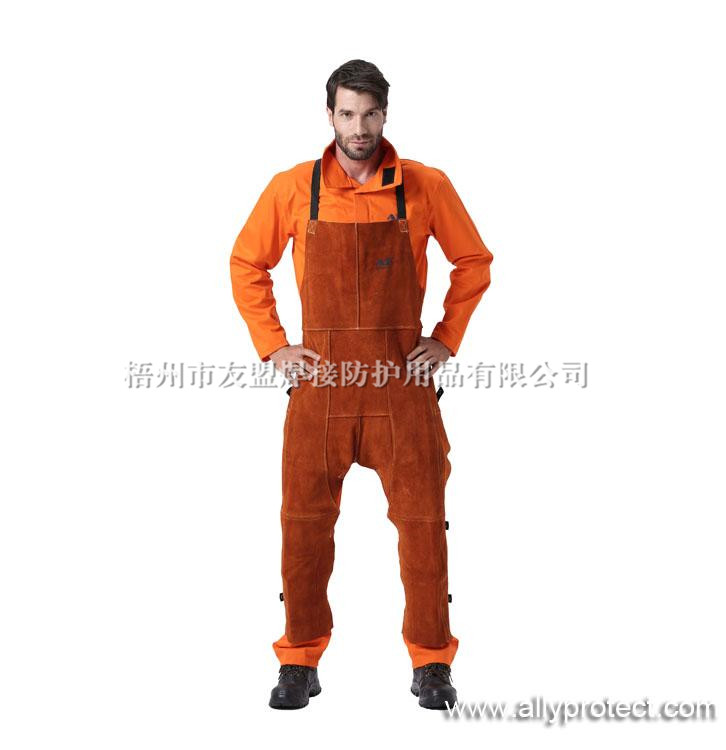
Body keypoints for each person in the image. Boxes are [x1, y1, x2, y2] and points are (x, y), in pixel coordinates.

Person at [230, 59, 493, 710]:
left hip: (402, 385)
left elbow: (473, 261)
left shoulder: (425, 186)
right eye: (346, 114)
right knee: (304, 526)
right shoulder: (293, 189)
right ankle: (299, 658)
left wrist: (447, 337)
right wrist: (274, 346)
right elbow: (246, 263)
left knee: (423, 525)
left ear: (384, 114)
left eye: (369, 114)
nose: (358, 127)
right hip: (320, 386)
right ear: (330, 115)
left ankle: (431, 660)